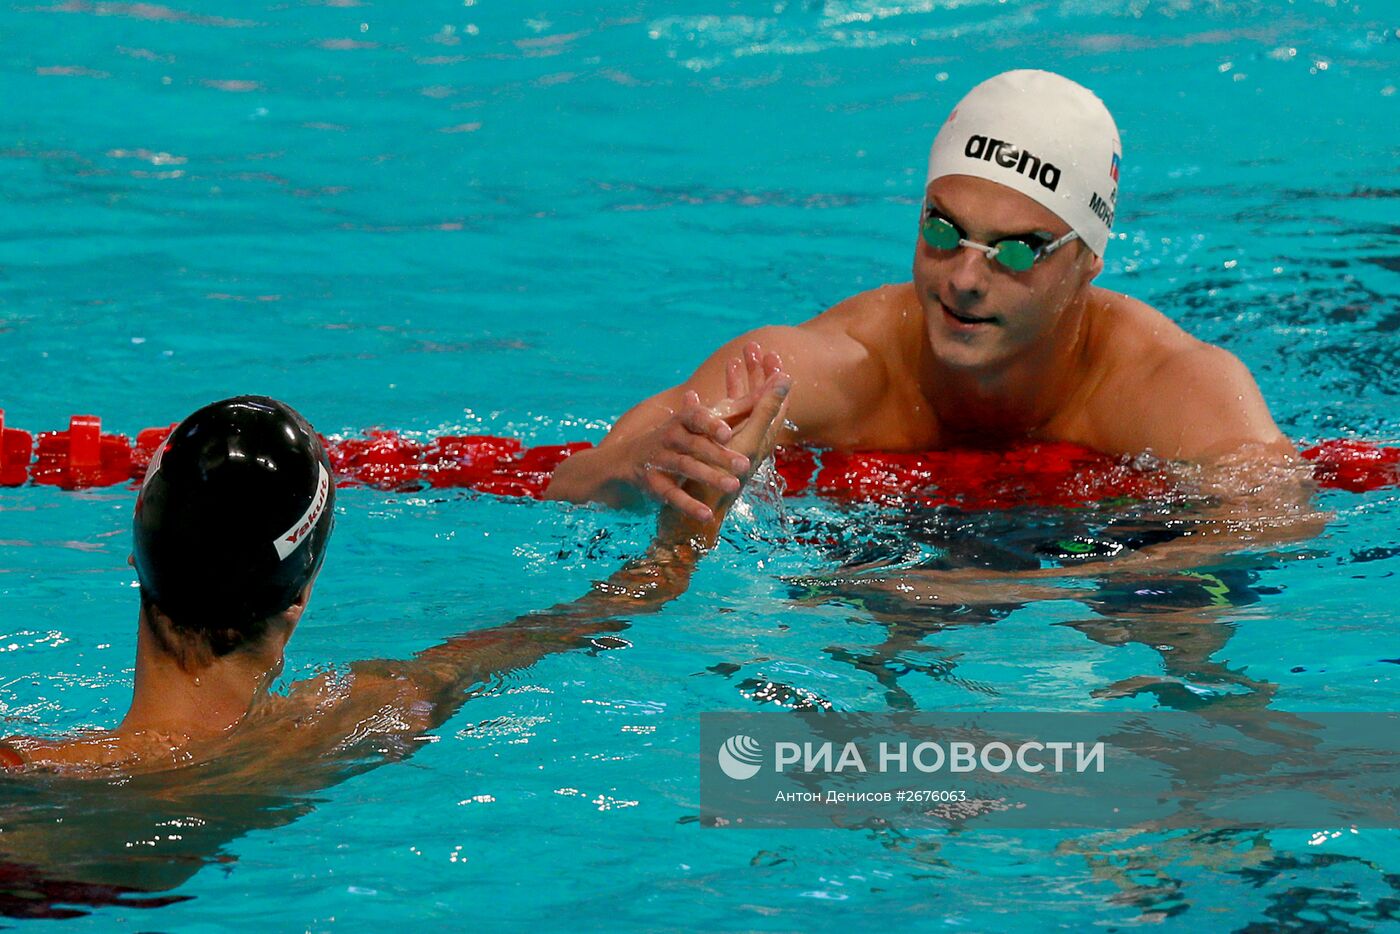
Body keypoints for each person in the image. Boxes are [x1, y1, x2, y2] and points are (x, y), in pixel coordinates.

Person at [544, 69, 1297, 523]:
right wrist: (643, 464)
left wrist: (1067, 582)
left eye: (1016, 250)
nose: (965, 279)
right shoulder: (831, 366)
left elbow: (1276, 519)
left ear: (1088, 260)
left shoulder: (1165, 381)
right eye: (945, 231)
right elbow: (567, 484)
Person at [0, 367, 789, 775]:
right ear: (299, 601)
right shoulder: (329, 733)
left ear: (135, 556)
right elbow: (552, 633)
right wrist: (678, 544)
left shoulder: (31, 776)